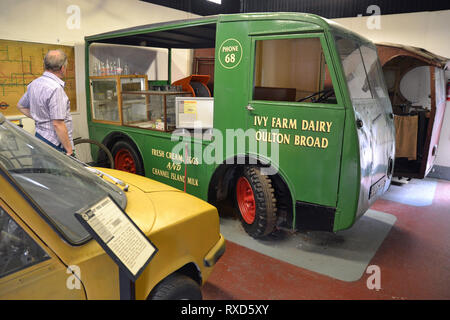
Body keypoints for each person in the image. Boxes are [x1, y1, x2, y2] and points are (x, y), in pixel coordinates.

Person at [17, 49, 74, 156]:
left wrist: (40, 118)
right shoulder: (56, 88)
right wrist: (69, 150)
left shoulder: (34, 84)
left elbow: (21, 106)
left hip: (39, 138)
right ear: (62, 68)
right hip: (55, 143)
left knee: (41, 172)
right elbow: (58, 124)